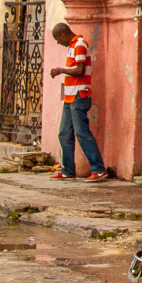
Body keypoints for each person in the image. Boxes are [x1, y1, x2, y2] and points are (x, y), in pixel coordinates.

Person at [49, 22, 107, 181]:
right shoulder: (73, 46)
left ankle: (98, 169)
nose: (58, 43)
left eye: (58, 39)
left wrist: (61, 70)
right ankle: (67, 170)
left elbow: (80, 70)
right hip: (70, 96)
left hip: (79, 95)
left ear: (63, 35)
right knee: (64, 133)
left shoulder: (79, 45)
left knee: (82, 132)